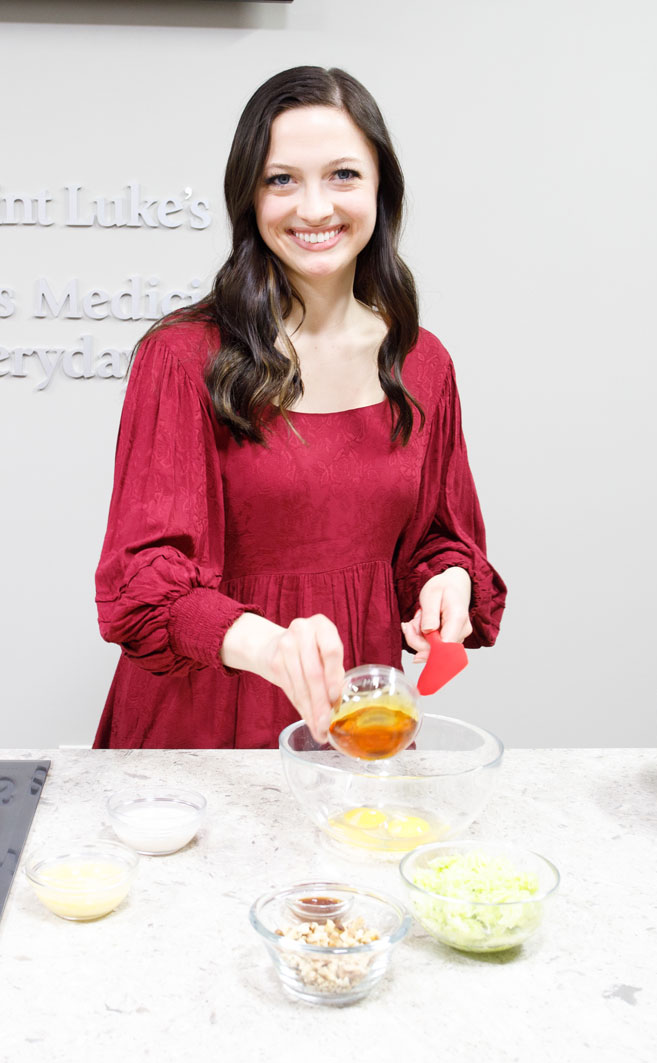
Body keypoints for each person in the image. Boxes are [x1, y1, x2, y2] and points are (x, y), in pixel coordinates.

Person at [93, 66, 507, 749]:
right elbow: (142, 586)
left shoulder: (422, 363)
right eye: (281, 179)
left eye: (343, 175)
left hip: (358, 724)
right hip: (203, 726)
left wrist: (450, 579)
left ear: (381, 189)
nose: (314, 208)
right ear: (249, 197)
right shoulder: (182, 356)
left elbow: (435, 539)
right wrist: (271, 647)